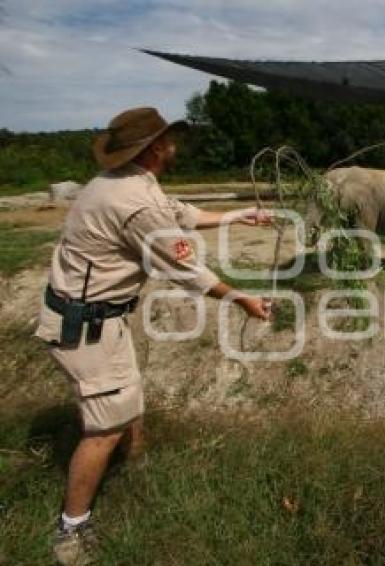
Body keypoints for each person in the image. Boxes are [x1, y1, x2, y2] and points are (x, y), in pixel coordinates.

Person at [34, 107, 271, 565]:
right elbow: (186, 270)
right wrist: (242, 298)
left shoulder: (123, 182)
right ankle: (71, 531)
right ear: (158, 148)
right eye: (168, 138)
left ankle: (133, 469)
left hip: (96, 317)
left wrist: (238, 215)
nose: (173, 144)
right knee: (103, 428)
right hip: (85, 325)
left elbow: (179, 212)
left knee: (127, 401)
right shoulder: (134, 202)